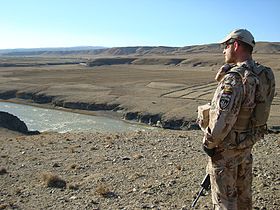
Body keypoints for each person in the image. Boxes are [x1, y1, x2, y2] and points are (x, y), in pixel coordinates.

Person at [200, 29, 275, 209]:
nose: (223, 51)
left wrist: (208, 144)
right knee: (243, 200)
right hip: (246, 147)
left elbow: (222, 121)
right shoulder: (264, 74)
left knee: (225, 203)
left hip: (226, 152)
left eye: (226, 46)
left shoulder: (234, 79)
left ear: (235, 45)